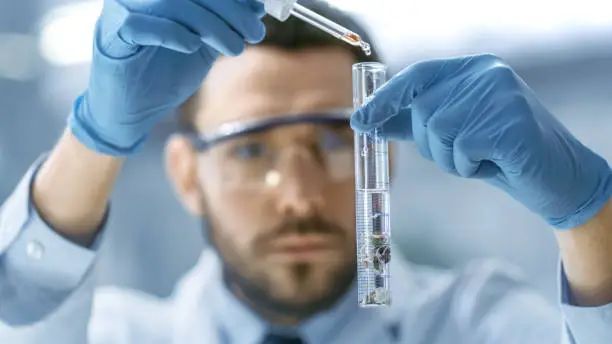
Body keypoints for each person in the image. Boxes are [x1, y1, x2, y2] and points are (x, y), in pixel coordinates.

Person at [1, 0, 611, 343]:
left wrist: (591, 216)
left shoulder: (475, 321)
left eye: (334, 141)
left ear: (385, 155)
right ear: (187, 175)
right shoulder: (119, 334)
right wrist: (95, 139)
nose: (297, 195)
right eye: (250, 150)